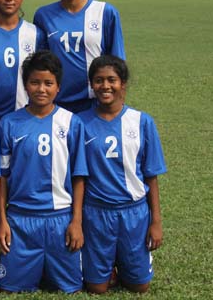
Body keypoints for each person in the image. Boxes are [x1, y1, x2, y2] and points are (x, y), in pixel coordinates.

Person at [0, 51, 88, 293]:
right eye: (35, 82)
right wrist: (2, 220)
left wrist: (76, 221)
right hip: (20, 219)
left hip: (60, 218)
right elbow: (2, 177)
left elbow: (79, 177)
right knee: (9, 288)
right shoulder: (9, 123)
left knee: (71, 288)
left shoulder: (72, 123)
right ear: (25, 85)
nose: (41, 89)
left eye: (48, 83)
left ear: (58, 87)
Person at [78, 55, 166, 294]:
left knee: (140, 286)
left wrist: (156, 222)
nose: (105, 86)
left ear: (123, 84)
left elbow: (151, 176)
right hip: (96, 212)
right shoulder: (80, 123)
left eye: (112, 80)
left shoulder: (142, 122)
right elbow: (78, 177)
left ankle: (123, 261)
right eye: (99, 80)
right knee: (97, 288)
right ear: (91, 84)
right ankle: (109, 267)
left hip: (133, 212)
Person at [33, 0, 125, 113]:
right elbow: (40, 63)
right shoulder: (43, 15)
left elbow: (118, 64)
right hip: (56, 104)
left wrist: (117, 106)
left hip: (95, 103)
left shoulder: (105, 12)